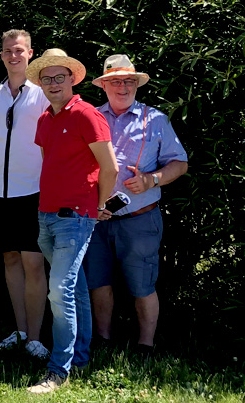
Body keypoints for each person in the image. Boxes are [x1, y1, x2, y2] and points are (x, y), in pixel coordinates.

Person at [25, 49, 119, 394]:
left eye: (59, 77)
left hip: (75, 218)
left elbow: (110, 168)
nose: (53, 84)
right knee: (74, 288)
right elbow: (52, 163)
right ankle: (78, 358)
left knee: (58, 290)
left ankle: (57, 371)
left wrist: (97, 206)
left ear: (72, 79)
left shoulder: (87, 115)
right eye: (46, 78)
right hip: (47, 215)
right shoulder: (44, 120)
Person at [85, 55, 188, 353]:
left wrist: (151, 180)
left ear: (136, 84)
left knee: (142, 285)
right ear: (104, 85)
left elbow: (179, 163)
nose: (123, 86)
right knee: (98, 282)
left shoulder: (155, 119)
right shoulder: (90, 117)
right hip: (97, 219)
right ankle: (102, 340)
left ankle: (146, 346)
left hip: (140, 219)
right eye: (115, 81)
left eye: (128, 81)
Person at [0, 29, 51, 359]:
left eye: (19, 50)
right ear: (2, 55)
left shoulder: (43, 94)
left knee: (34, 263)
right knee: (10, 260)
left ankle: (35, 338)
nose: (13, 55)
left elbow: (53, 145)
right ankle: (20, 331)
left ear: (31, 53)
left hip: (33, 191)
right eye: (7, 50)